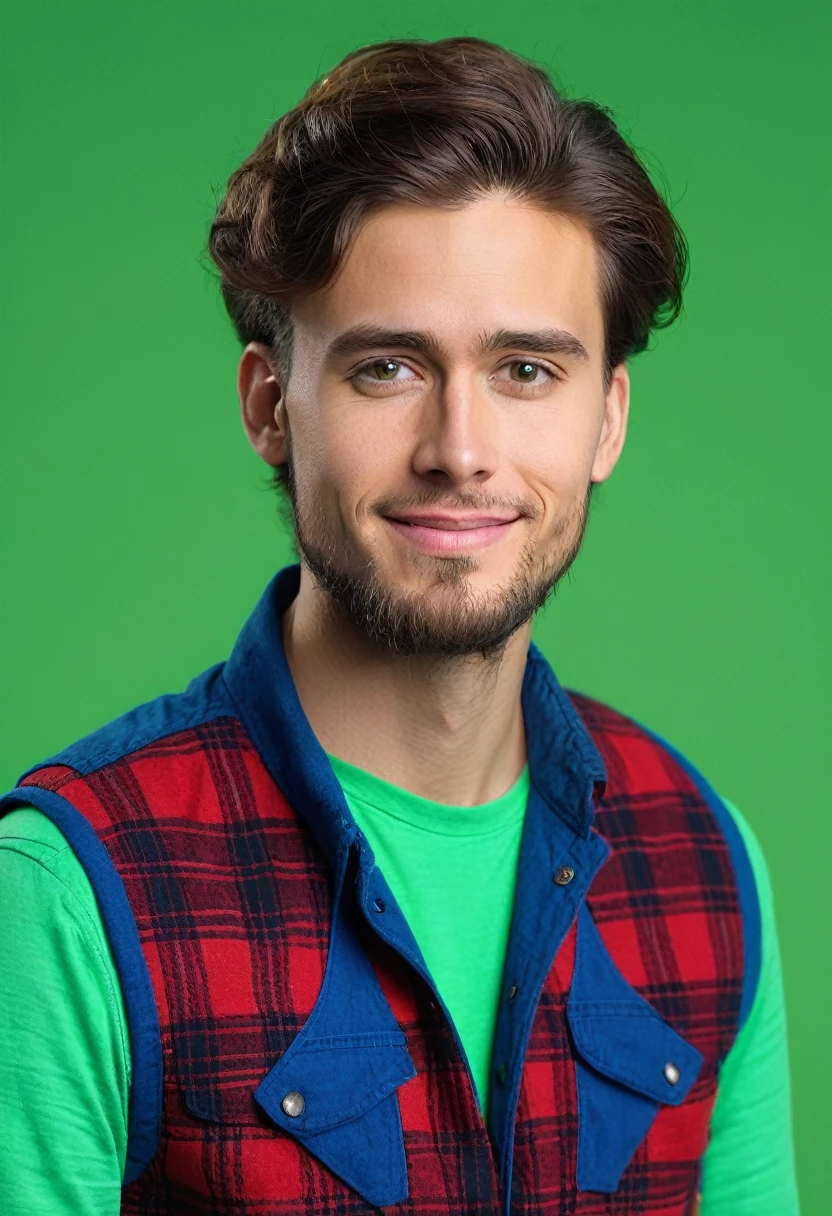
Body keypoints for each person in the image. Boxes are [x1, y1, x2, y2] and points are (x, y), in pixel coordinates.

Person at [0, 35, 799, 1216]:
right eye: (387, 368)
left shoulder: (704, 859)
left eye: (526, 370)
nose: (460, 450)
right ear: (273, 405)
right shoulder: (67, 892)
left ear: (607, 420)